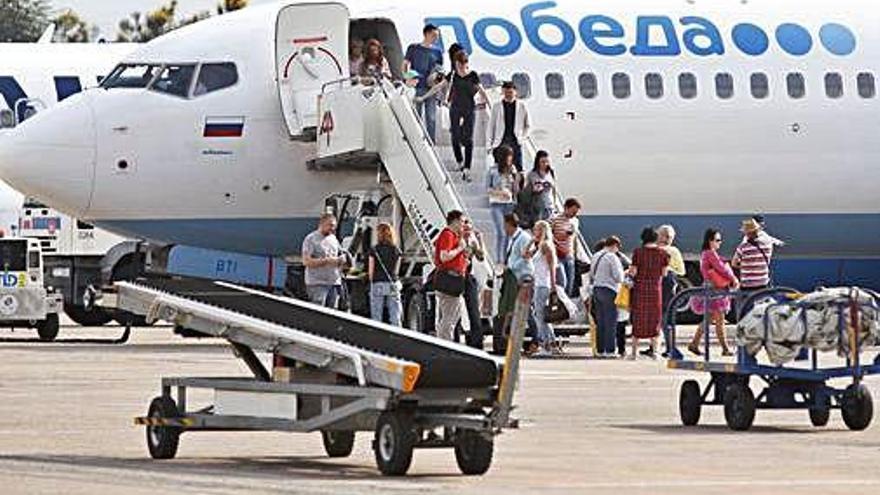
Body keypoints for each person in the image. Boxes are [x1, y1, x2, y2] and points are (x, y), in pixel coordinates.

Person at [689, 228, 738, 357]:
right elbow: (722, 269)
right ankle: (725, 348)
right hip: (716, 291)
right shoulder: (710, 253)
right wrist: (734, 279)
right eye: (717, 240)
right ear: (710, 241)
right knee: (720, 320)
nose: (720, 242)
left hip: (711, 289)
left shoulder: (705, 253)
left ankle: (694, 344)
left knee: (709, 319)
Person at [628, 227, 670, 359]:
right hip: (655, 289)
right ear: (655, 238)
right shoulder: (663, 254)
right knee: (654, 319)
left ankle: (634, 353)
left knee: (638, 319)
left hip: (640, 289)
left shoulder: (638, 252)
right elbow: (664, 273)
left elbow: (633, 272)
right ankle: (656, 353)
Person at [447, 50, 489, 182]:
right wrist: (424, 96)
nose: (461, 66)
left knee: (469, 139)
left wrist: (491, 106)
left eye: (464, 63)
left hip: (469, 108)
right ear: (456, 63)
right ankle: (459, 161)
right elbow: (440, 86)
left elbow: (481, 90)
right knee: (454, 136)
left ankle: (467, 168)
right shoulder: (453, 75)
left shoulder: (473, 75)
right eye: (459, 63)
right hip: (455, 107)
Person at [403, 24, 443, 141]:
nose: (436, 38)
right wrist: (407, 78)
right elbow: (405, 64)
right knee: (417, 116)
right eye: (434, 35)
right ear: (426, 34)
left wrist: (437, 82)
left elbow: (439, 69)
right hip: (416, 87)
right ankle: (416, 141)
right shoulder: (413, 48)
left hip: (431, 89)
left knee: (431, 118)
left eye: (437, 36)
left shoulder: (437, 52)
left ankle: (431, 143)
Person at [433, 210, 468, 341]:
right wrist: (460, 248)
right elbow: (444, 256)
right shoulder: (448, 235)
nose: (463, 225)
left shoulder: (451, 235)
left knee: (451, 315)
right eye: (462, 221)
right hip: (450, 279)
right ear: (455, 221)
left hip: (450, 279)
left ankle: (443, 342)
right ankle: (445, 344)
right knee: (449, 318)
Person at [525, 220, 558, 356]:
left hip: (543, 285)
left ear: (543, 230)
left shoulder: (545, 245)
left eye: (537, 229)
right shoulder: (539, 246)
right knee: (542, 316)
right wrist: (531, 241)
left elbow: (551, 267)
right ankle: (552, 343)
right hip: (538, 284)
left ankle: (545, 346)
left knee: (540, 317)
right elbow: (525, 255)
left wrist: (553, 285)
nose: (534, 232)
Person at [590, 236, 625, 358]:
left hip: (597, 289)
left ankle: (600, 350)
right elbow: (618, 277)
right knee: (611, 321)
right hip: (609, 290)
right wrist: (624, 274)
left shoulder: (596, 256)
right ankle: (610, 350)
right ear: (614, 245)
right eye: (617, 248)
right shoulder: (612, 257)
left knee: (600, 321)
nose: (618, 251)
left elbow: (592, 273)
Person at [302, 213, 346, 308]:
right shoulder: (311, 239)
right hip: (317, 283)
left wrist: (341, 260)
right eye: (330, 225)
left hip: (333, 283)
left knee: (333, 313)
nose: (332, 228)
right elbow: (306, 261)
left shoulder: (333, 239)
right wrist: (326, 261)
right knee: (319, 312)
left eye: (334, 226)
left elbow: (340, 254)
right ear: (322, 223)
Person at [488, 81, 531, 172]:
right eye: (506, 92)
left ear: (515, 92)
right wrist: (490, 143)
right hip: (500, 141)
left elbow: (527, 125)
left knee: (518, 167)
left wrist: (523, 137)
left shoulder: (522, 106)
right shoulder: (497, 106)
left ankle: (518, 185)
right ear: (503, 92)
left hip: (515, 141)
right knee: (500, 168)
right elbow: (491, 126)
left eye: (510, 92)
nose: (508, 95)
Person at [487, 145, 519, 264]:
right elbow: (487, 190)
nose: (510, 159)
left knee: (508, 232)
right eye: (508, 156)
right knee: (501, 232)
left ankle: (506, 258)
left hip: (509, 204)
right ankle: (499, 260)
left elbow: (515, 188)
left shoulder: (511, 170)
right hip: (497, 204)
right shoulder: (493, 171)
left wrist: (516, 177)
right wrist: (500, 193)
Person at [368, 223, 403, 326]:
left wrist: (371, 280)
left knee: (376, 316)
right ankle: (397, 337)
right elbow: (396, 270)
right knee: (395, 315)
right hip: (392, 283)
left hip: (378, 283)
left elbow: (371, 271)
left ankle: (377, 338)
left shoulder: (374, 250)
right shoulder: (396, 250)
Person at [460, 219, 487, 348]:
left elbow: (481, 257)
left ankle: (476, 342)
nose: (467, 232)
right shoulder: (454, 240)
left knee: (474, 311)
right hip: (455, 277)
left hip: (467, 277)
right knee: (455, 311)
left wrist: (479, 241)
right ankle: (455, 339)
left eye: (468, 229)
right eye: (465, 229)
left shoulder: (472, 242)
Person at [732, 218, 774, 294]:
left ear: (747, 233)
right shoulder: (768, 245)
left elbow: (734, 263)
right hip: (763, 284)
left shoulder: (743, 246)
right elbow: (767, 261)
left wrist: (746, 266)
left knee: (744, 304)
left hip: (747, 286)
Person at [551, 198, 582, 296]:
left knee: (570, 283)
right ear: (566, 208)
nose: (574, 214)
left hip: (569, 255)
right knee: (561, 281)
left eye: (576, 212)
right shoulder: (554, 219)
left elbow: (575, 239)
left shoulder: (575, 221)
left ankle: (567, 306)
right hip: (557, 255)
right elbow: (548, 236)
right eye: (573, 211)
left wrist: (576, 255)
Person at [526, 150, 557, 222]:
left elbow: (554, 190)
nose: (545, 164)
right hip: (537, 207)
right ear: (538, 162)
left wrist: (554, 204)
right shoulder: (531, 174)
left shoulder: (550, 172)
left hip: (549, 206)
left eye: (547, 162)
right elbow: (527, 190)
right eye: (543, 162)